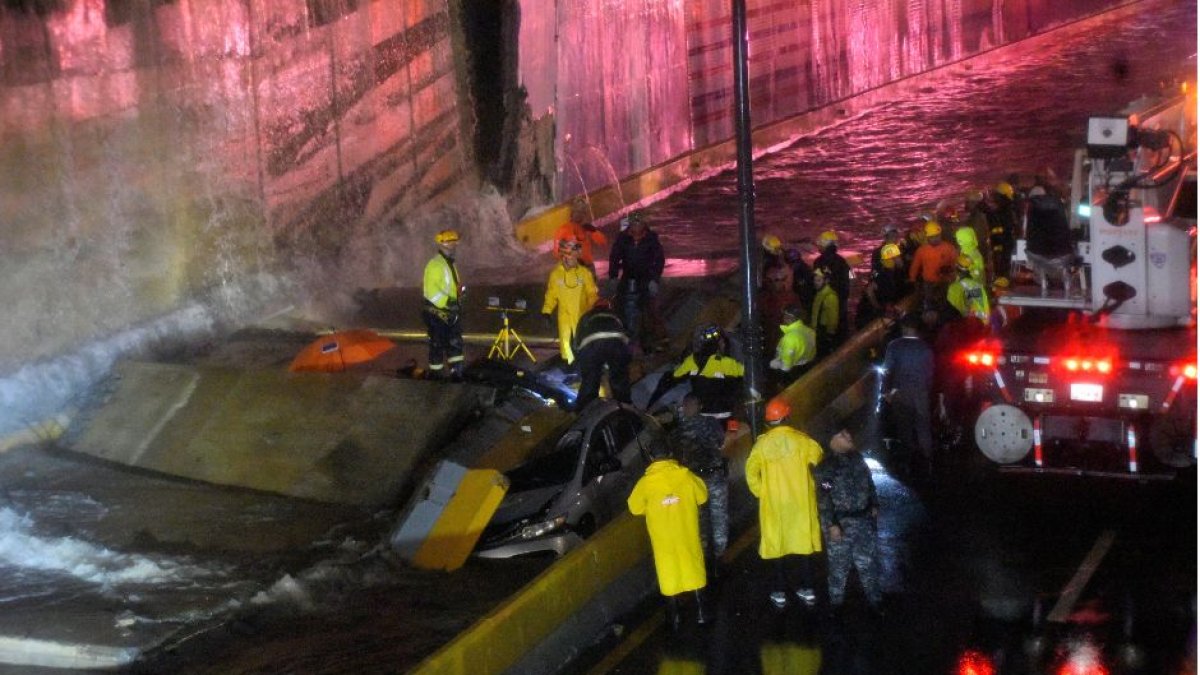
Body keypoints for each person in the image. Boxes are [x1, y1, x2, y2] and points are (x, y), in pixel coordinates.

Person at [745, 396, 824, 609]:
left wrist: (761, 492)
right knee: (803, 543)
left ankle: (779, 591)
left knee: (777, 545)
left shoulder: (762, 444)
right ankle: (807, 588)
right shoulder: (802, 441)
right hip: (800, 502)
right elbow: (817, 456)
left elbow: (751, 472)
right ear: (787, 417)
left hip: (774, 504)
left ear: (768, 421)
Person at [628, 441, 709, 629]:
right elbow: (703, 496)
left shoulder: (645, 484)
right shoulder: (686, 476)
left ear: (651, 457)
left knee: (668, 574)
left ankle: (675, 618)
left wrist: (654, 507)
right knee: (693, 570)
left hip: (663, 540)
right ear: (670, 454)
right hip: (687, 534)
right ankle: (701, 613)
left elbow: (634, 508)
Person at [815, 428, 883, 615]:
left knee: (868, 564)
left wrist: (874, 503)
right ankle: (835, 605)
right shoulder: (827, 467)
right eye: (842, 435)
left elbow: (869, 483)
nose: (849, 436)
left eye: (847, 433)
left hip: (863, 521)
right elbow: (823, 498)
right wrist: (831, 525)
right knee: (839, 568)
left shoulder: (857, 459)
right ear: (832, 441)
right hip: (841, 525)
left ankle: (875, 602)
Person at [668, 392, 730, 569]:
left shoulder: (677, 431)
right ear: (700, 407)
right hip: (714, 477)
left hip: (693, 481)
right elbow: (721, 441)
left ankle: (703, 558)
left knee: (699, 519)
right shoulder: (711, 423)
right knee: (719, 517)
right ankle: (719, 556)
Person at [880, 314, 935, 480]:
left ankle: (907, 464)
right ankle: (928, 463)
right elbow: (930, 375)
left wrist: (886, 391)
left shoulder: (894, 345)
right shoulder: (926, 348)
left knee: (904, 428)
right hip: (921, 394)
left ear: (903, 328)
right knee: (923, 428)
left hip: (900, 393)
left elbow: (886, 371)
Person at [608, 211, 666, 350]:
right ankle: (625, 340)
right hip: (627, 277)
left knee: (648, 310)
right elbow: (614, 257)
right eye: (634, 223)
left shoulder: (651, 239)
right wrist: (613, 276)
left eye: (639, 222)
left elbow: (659, 260)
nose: (636, 225)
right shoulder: (623, 238)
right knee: (622, 308)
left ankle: (650, 342)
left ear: (644, 223)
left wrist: (654, 279)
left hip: (645, 278)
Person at [542, 238, 598, 366]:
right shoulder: (556, 274)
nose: (571, 259)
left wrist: (594, 309)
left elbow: (591, 294)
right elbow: (551, 294)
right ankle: (569, 365)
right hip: (564, 317)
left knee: (582, 342)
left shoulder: (584, 273)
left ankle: (582, 364)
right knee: (566, 343)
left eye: (574, 256)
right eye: (569, 256)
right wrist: (546, 311)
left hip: (582, 316)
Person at [672, 324, 745, 421]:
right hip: (722, 415)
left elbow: (676, 375)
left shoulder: (691, 360)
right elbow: (747, 375)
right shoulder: (726, 363)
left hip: (701, 415)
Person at [572, 297, 632, 411]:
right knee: (619, 378)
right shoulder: (616, 314)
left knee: (590, 380)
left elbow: (576, 340)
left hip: (591, 344)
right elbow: (628, 335)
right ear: (609, 307)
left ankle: (584, 409)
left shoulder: (586, 316)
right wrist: (626, 358)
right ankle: (624, 407)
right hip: (616, 343)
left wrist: (580, 360)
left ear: (594, 307)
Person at [422, 229, 465, 380]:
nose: (453, 246)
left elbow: (451, 287)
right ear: (441, 244)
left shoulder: (449, 264)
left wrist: (458, 296)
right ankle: (436, 376)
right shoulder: (435, 265)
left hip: (450, 312)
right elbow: (431, 292)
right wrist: (448, 302)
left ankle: (457, 374)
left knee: (455, 343)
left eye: (454, 243)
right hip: (437, 313)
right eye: (450, 243)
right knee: (437, 344)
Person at [1024, 185, 1075, 297]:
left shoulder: (1031, 207)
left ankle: (1043, 282)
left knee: (1033, 256)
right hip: (1063, 253)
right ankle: (1066, 282)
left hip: (1037, 253)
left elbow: (1027, 231)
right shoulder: (1059, 204)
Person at [907, 220, 958, 313]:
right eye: (932, 237)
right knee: (929, 303)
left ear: (940, 235)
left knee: (945, 303)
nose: (935, 239)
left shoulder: (949, 248)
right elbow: (915, 265)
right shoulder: (921, 250)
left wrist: (951, 273)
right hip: (928, 283)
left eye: (937, 236)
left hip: (945, 282)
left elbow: (956, 263)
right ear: (927, 237)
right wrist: (912, 279)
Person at [856, 243, 907, 329]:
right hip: (869, 315)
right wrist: (878, 309)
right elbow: (869, 291)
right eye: (898, 257)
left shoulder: (882, 267)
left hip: (869, 309)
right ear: (892, 259)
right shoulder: (884, 274)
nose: (900, 259)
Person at [813, 230, 851, 339]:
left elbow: (817, 283)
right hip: (841, 300)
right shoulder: (842, 261)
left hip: (825, 303)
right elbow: (850, 279)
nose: (818, 246)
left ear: (824, 245)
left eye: (819, 244)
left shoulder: (818, 262)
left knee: (825, 331)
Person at [555, 197, 607, 276]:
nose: (580, 215)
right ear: (572, 213)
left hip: (588, 267)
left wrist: (594, 231)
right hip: (572, 269)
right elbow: (556, 251)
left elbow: (602, 242)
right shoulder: (563, 230)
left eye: (583, 212)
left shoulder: (587, 228)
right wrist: (573, 255)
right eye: (578, 212)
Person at [769, 305, 815, 388]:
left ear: (789, 318)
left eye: (784, 315)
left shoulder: (789, 338)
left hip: (792, 374)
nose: (783, 318)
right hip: (807, 368)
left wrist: (780, 379)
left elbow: (786, 366)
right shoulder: (810, 331)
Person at [983, 181, 1018, 280]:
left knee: (1002, 267)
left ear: (1002, 196)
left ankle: (1002, 280)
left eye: (997, 195)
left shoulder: (1003, 211)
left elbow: (999, 228)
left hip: (1003, 244)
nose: (995, 197)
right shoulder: (1010, 208)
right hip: (1007, 243)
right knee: (1005, 266)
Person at [947, 254, 991, 325]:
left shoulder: (955, 288)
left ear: (956, 270)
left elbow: (951, 311)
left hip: (968, 326)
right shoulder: (978, 286)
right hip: (984, 325)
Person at [810, 268, 840, 359]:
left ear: (826, 281)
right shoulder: (820, 293)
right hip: (817, 332)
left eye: (819, 280)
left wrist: (829, 335)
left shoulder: (830, 296)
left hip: (824, 333)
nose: (815, 283)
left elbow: (833, 319)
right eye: (815, 280)